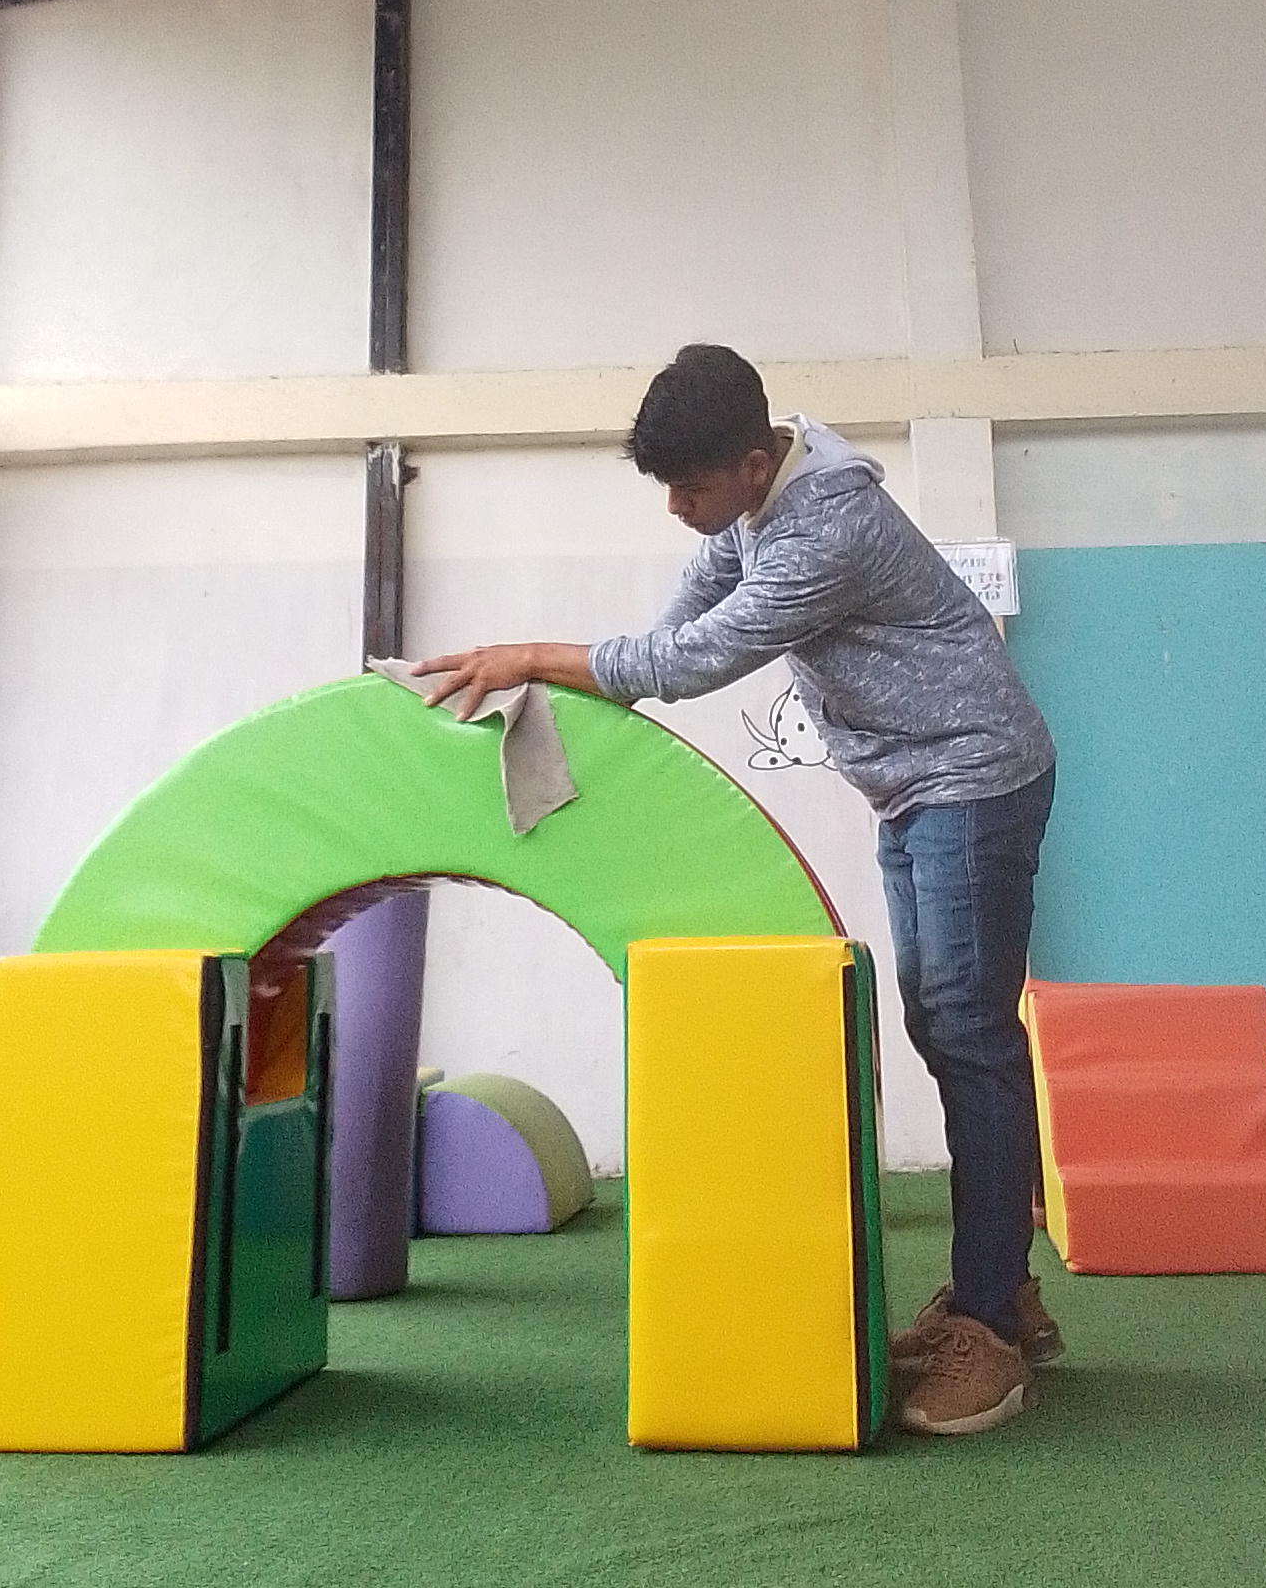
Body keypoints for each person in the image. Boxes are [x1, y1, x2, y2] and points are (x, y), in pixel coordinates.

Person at [417, 342, 1060, 1437]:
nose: (677, 508)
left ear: (755, 464)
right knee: (946, 1029)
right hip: (915, 786)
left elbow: (687, 664)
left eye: (692, 488)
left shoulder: (826, 531)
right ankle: (1003, 1295)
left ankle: (992, 1326)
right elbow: (678, 630)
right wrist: (599, 676)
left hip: (970, 775)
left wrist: (529, 655)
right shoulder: (768, 480)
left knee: (968, 1033)